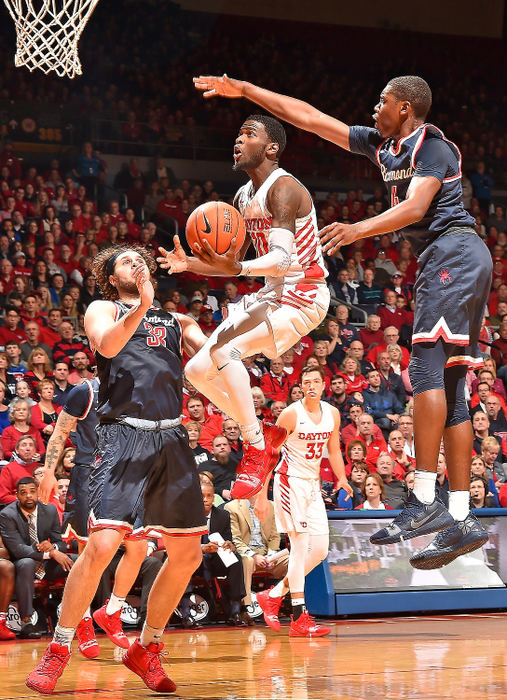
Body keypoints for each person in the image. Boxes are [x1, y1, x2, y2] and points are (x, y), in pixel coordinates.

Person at [197, 73, 493, 569]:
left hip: (453, 254)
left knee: (423, 373)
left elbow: (417, 206)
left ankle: (421, 500)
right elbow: (310, 119)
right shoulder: (383, 146)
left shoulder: (434, 147)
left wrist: (357, 227)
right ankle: (460, 516)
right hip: (461, 259)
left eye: (383, 102)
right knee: (453, 384)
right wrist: (247, 90)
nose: (374, 108)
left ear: (406, 110)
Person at [26, 245, 209, 695]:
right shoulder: (103, 308)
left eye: (140, 259)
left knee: (188, 555)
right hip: (124, 435)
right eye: (125, 261)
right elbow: (105, 344)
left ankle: (146, 648)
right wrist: (143, 304)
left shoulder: (176, 321)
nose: (137, 263)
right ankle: (59, 648)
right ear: (110, 276)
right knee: (103, 543)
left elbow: (216, 357)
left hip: (171, 435)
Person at [159, 114, 329, 500]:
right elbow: (231, 266)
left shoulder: (283, 188)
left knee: (227, 352)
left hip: (304, 293)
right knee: (198, 369)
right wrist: (189, 265)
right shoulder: (240, 198)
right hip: (273, 294)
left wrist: (238, 268)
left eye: (249, 134)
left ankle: (254, 446)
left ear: (271, 148)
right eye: (237, 133)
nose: (238, 139)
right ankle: (264, 435)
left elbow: (282, 261)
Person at [253, 365, 352, 637]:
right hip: (289, 481)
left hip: (312, 485)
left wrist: (342, 478)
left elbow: (333, 449)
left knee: (319, 550)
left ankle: (272, 595)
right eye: (305, 381)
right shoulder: (290, 414)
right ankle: (298, 616)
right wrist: (261, 495)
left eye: (315, 381)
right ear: (300, 387)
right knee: (299, 547)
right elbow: (269, 453)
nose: (310, 386)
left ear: (324, 384)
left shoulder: (332, 413)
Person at [0, 477, 75, 640]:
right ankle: (26, 621)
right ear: (17, 496)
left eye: (32, 492)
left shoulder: (49, 511)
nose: (28, 496)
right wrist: (51, 553)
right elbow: (18, 549)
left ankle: (80, 618)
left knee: (76, 562)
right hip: (21, 564)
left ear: (38, 494)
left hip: (45, 563)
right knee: (26, 563)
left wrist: (54, 548)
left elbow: (59, 543)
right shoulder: (7, 514)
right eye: (23, 493)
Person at [225, 492, 289, 621]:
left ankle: (277, 597)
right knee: (246, 561)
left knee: (295, 562)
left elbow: (274, 537)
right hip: (246, 554)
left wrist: (271, 556)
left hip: (267, 554)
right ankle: (245, 608)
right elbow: (235, 540)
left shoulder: (271, 506)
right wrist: (254, 556)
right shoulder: (232, 507)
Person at [195, 478, 246, 626]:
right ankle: (186, 613)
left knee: (235, 558)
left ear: (214, 497)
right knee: (181, 562)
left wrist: (230, 545)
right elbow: (183, 545)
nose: (205, 499)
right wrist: (203, 547)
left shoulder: (223, 515)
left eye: (209, 496)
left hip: (215, 560)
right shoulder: (188, 516)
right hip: (195, 559)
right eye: (202, 496)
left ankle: (236, 611)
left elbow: (229, 540)